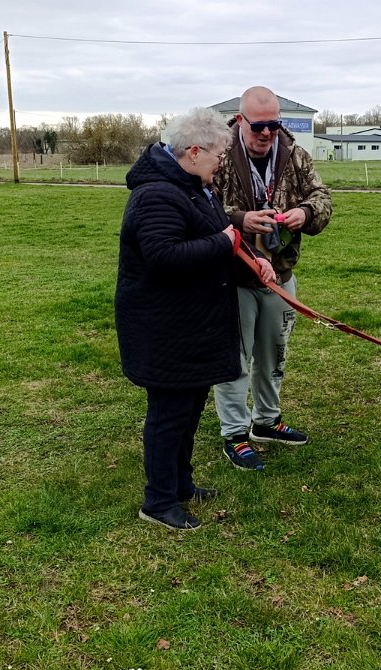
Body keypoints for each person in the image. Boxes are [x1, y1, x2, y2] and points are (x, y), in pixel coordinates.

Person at [116, 107, 274, 530]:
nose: (221, 163)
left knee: (189, 410)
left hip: (193, 325)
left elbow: (219, 235)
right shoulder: (156, 195)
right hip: (165, 328)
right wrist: (224, 242)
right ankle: (159, 501)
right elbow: (164, 257)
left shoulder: (192, 188)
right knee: (169, 416)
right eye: (218, 156)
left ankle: (181, 485)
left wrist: (252, 259)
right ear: (193, 151)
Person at [212, 86, 333, 470]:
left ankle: (267, 421)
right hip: (234, 275)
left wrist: (306, 214)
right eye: (259, 126)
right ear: (241, 120)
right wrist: (240, 219)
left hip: (279, 274)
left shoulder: (294, 154)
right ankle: (234, 432)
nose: (267, 134)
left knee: (273, 352)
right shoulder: (218, 153)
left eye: (274, 125)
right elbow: (201, 206)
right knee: (234, 357)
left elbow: (323, 198)